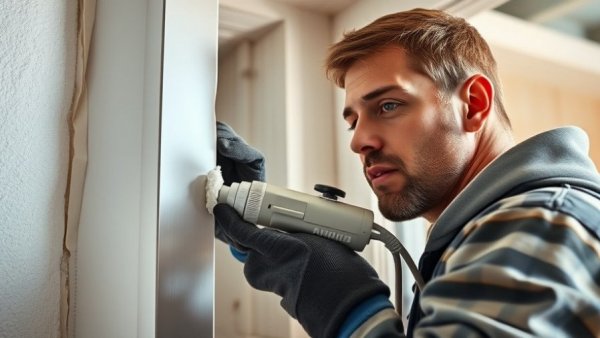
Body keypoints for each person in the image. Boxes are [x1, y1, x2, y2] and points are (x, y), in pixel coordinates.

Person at [213, 8, 600, 338]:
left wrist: (348, 308)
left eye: (388, 106)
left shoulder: (535, 225)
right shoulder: (496, 233)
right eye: (353, 121)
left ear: (474, 104)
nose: (359, 141)